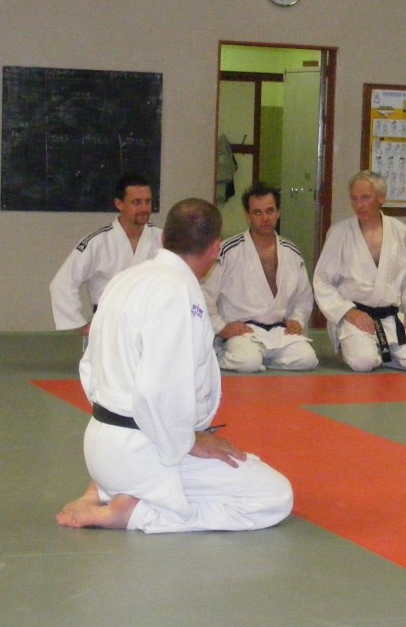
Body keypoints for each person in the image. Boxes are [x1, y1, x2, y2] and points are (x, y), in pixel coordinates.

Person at [56, 198, 293, 533]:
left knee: (225, 469)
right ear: (215, 249)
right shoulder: (176, 290)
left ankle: (107, 490)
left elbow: (89, 368)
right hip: (149, 448)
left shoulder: (124, 280)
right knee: (274, 497)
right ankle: (132, 513)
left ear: (164, 237)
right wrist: (190, 442)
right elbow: (156, 388)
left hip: (101, 443)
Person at [313, 170, 406, 373]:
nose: (358, 205)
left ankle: (381, 351)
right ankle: (359, 349)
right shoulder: (339, 233)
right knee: (363, 362)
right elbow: (322, 281)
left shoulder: (399, 231)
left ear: (381, 198)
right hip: (355, 316)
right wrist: (348, 312)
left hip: (390, 317)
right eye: (354, 198)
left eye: (365, 197)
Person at [201, 181, 318, 372]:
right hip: (243, 331)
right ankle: (220, 352)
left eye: (270, 211)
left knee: (308, 359)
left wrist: (297, 319)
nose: (265, 218)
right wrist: (222, 328)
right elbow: (205, 294)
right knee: (249, 362)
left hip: (278, 331)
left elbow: (303, 296)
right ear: (248, 216)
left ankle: (263, 357)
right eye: (257, 212)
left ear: (278, 213)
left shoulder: (291, 251)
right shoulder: (228, 250)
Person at [49, 173, 163, 334]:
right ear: (119, 204)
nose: (144, 208)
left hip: (151, 326)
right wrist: (80, 325)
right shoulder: (97, 243)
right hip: (108, 326)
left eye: (148, 202)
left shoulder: (163, 239)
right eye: (136, 202)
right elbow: (62, 283)